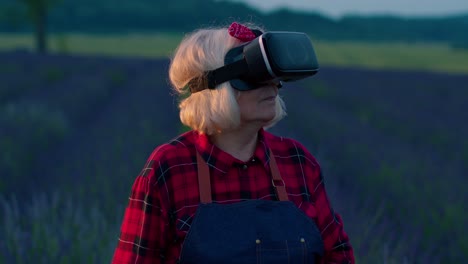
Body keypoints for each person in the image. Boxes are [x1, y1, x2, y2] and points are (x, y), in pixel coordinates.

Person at [112, 22, 354, 264]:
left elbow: (338, 254)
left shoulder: (297, 162)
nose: (271, 84)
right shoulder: (170, 168)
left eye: (273, 73)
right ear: (213, 86)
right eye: (255, 73)